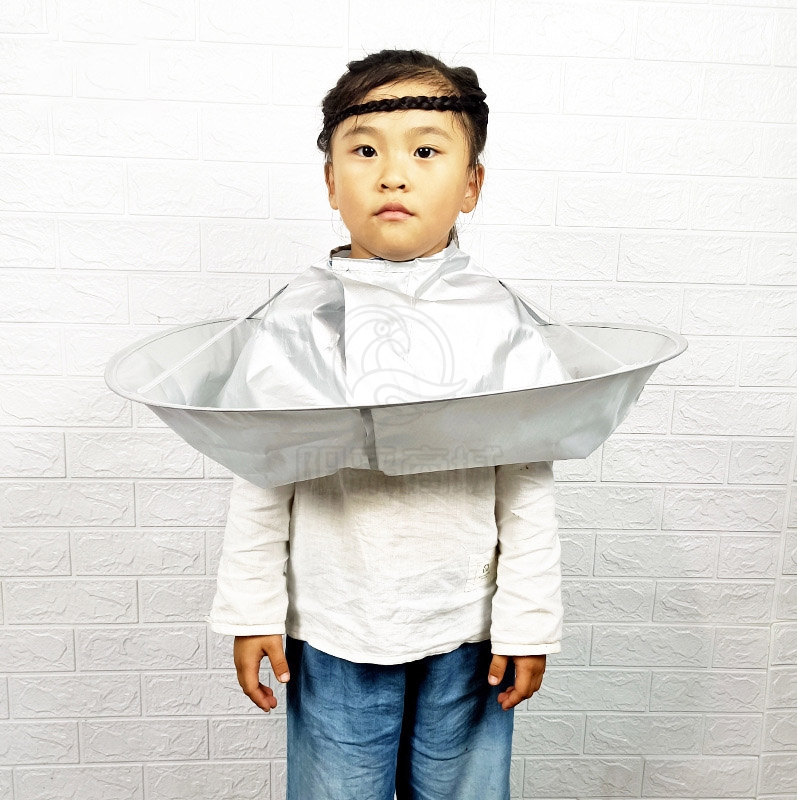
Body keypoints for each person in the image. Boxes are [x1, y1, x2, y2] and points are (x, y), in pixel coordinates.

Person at [208, 49, 564, 800]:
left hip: (469, 628)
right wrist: (252, 608)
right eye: (365, 151)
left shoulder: (500, 322)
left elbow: (526, 480)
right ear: (331, 181)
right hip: (335, 625)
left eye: (426, 151)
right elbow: (262, 471)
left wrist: (528, 621)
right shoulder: (296, 323)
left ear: (472, 184)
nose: (393, 175)